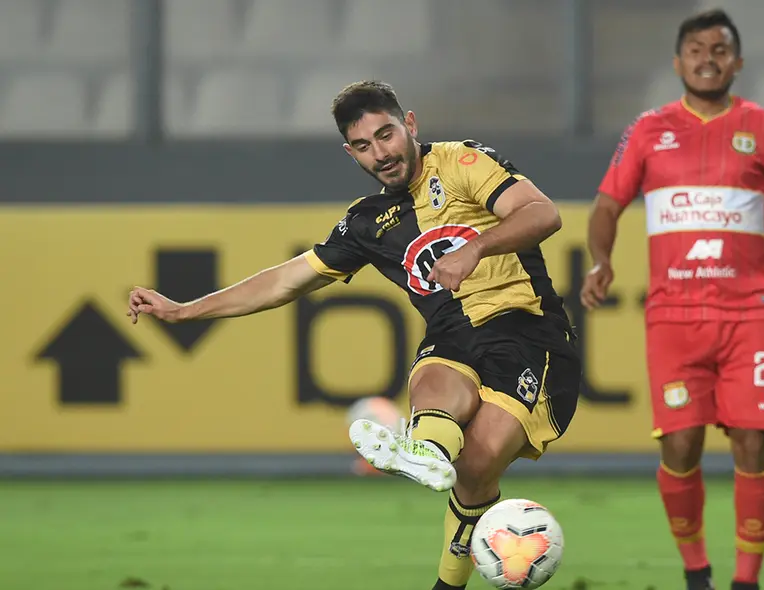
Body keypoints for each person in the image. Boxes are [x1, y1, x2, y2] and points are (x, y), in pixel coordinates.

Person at [126, 80, 581, 590]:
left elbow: (543, 213)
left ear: (410, 124)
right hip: (453, 338)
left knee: (476, 467)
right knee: (434, 376)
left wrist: (475, 248)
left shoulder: (462, 161)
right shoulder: (367, 223)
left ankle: (429, 459)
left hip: (528, 331)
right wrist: (187, 310)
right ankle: (428, 451)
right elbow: (284, 281)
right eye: (363, 146)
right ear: (351, 152)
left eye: (386, 135)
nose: (380, 153)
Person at [580, 10, 764, 590]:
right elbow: (607, 205)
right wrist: (601, 260)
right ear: (678, 62)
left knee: (754, 441)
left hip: (750, 312)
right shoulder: (648, 129)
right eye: (696, 49)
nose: (707, 59)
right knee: (680, 444)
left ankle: (746, 581)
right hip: (673, 316)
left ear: (737, 62)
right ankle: (697, 572)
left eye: (720, 49)